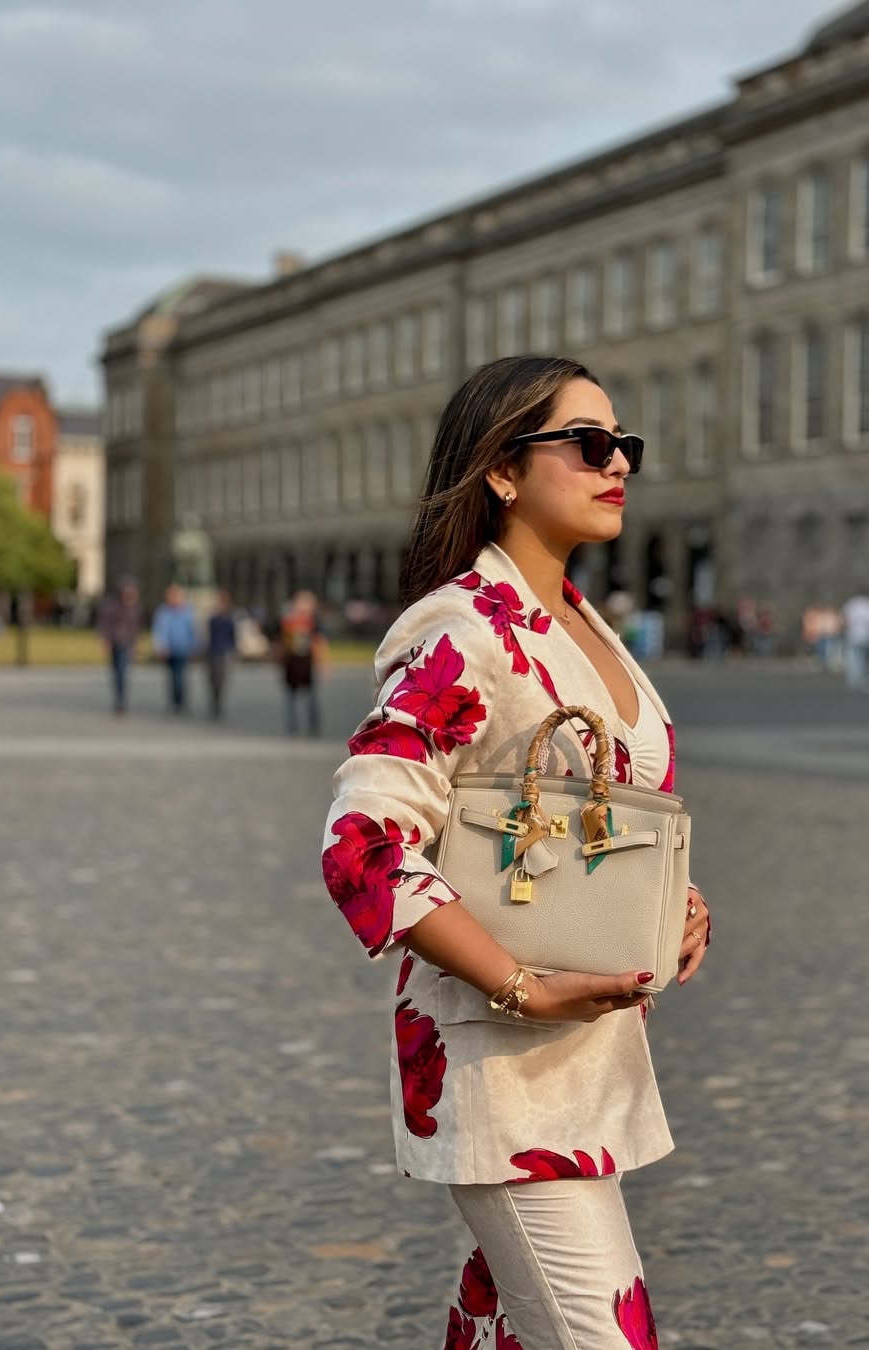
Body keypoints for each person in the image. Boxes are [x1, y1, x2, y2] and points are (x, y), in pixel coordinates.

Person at [320, 356, 711, 1348]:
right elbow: (363, 844)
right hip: (505, 1066)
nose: (616, 461)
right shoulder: (463, 629)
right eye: (587, 444)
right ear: (502, 469)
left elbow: (585, 821)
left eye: (624, 445)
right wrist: (521, 987)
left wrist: (670, 901)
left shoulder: (584, 627)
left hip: (591, 1062)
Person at [278, 590, 323, 736]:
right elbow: (282, 644)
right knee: (292, 697)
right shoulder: (288, 622)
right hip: (292, 664)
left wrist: (322, 662)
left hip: (306, 665)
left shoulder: (311, 622)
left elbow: (318, 643)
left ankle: (312, 726)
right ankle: (293, 727)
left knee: (311, 697)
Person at [151, 584, 198, 714]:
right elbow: (159, 631)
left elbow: (192, 630)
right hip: (169, 650)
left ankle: (180, 702)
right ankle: (175, 701)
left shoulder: (187, 611)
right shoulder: (163, 612)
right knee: (172, 678)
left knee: (181, 677)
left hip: (183, 648)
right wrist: (160, 647)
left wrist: (194, 646)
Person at [97, 576, 141, 715]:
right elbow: (104, 623)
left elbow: (135, 627)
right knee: (116, 672)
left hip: (126, 643)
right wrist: (105, 640)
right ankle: (119, 698)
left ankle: (121, 701)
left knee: (122, 672)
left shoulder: (134, 607)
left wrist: (135, 644)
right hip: (115, 641)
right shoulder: (112, 605)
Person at [841, 587, 869, 692]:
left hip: (853, 635)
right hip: (868, 636)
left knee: (854, 659)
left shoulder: (851, 604)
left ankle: (855, 680)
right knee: (866, 659)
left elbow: (845, 621)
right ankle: (864, 679)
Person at [204, 590, 237, 720]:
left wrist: (233, 651)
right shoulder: (213, 619)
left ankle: (218, 703)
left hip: (224, 652)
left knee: (221, 680)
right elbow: (208, 635)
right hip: (212, 651)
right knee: (212, 679)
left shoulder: (229, 619)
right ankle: (214, 702)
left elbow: (233, 637)